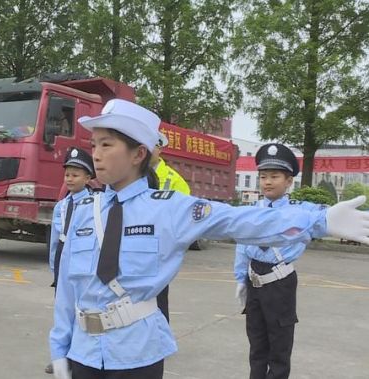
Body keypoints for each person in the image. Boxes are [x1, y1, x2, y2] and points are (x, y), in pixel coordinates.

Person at [49, 99, 369, 379]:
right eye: (94, 145)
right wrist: (59, 346)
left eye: (107, 145)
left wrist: (321, 220)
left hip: (137, 353)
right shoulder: (83, 211)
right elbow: (67, 287)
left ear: (138, 154)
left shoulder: (169, 208)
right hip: (84, 352)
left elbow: (242, 220)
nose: (97, 155)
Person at [233, 143, 322, 379]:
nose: (267, 182)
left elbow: (324, 218)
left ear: (289, 181)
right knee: (257, 344)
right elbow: (243, 245)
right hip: (254, 280)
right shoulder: (252, 210)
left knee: (279, 348)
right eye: (263, 176)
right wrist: (240, 277)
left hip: (280, 282)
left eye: (274, 176)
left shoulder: (301, 210)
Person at [45, 147, 95, 374]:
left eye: (76, 175)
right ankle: (61, 355)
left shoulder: (95, 203)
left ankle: (78, 356)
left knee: (80, 310)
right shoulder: (62, 205)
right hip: (64, 254)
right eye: (67, 174)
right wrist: (54, 268)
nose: (70, 179)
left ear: (88, 177)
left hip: (82, 259)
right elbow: (55, 239)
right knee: (62, 310)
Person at [150, 132, 191, 323]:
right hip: (132, 247)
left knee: (158, 301)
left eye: (153, 146)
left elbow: (185, 218)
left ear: (160, 149)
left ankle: (159, 344)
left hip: (159, 249)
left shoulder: (174, 180)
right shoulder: (131, 176)